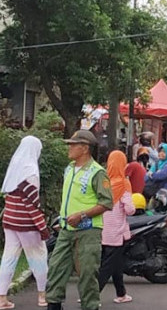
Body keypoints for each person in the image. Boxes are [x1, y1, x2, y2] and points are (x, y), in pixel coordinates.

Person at [46, 130, 113, 310]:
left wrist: (81, 215)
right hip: (66, 230)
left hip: (89, 231)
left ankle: (90, 306)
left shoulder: (97, 172)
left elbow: (107, 203)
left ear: (85, 148)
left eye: (73, 145)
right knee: (55, 270)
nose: (69, 148)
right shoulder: (69, 169)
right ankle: (53, 304)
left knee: (87, 275)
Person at [0, 136, 49, 310]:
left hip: (9, 221)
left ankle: (1, 298)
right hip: (26, 224)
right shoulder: (31, 171)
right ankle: (42, 297)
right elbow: (31, 204)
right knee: (38, 258)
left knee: (8, 258)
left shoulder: (14, 167)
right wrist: (42, 227)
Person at [98, 151, 135, 304]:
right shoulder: (124, 183)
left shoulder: (104, 182)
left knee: (116, 264)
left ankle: (121, 294)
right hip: (117, 232)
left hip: (102, 229)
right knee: (107, 266)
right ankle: (91, 294)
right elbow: (129, 209)